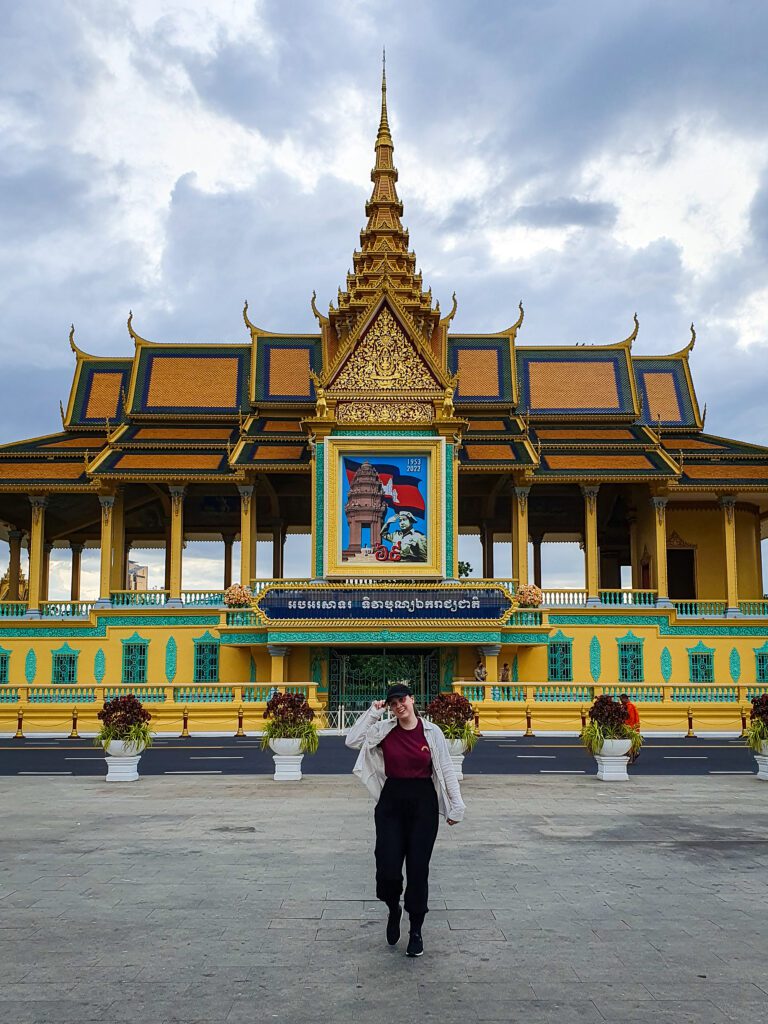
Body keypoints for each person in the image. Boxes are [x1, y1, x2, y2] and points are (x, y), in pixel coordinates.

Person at [345, 682, 465, 958]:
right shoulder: (384, 730)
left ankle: (416, 930)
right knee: (387, 866)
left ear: (412, 700)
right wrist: (373, 713)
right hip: (391, 802)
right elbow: (351, 741)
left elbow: (445, 768)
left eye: (403, 700)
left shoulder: (431, 732)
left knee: (418, 868)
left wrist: (456, 806)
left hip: (423, 803)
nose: (399, 706)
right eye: (393, 703)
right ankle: (392, 907)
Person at [619, 693, 641, 762]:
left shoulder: (630, 706)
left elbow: (630, 718)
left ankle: (632, 757)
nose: (621, 701)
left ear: (625, 699)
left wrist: (626, 726)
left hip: (631, 727)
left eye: (621, 700)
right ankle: (633, 755)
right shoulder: (627, 706)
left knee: (629, 743)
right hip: (631, 727)